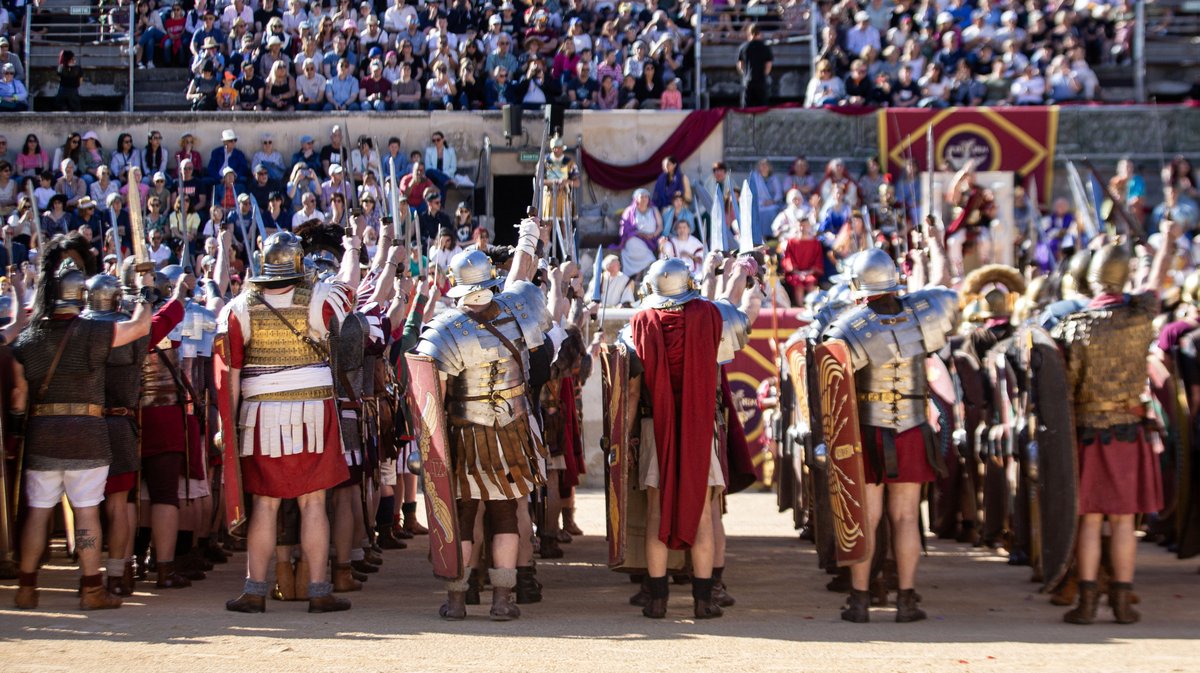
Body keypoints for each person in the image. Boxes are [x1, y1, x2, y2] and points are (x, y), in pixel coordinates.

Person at [413, 222, 551, 621]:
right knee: (506, 513)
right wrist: (528, 238)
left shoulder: (444, 332)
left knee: (464, 514)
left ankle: (457, 600)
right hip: (512, 429)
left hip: (465, 435)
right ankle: (502, 600)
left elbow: (430, 400)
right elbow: (520, 275)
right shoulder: (517, 309)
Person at [11, 233, 154, 610]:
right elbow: (140, 327)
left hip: (43, 434)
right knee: (87, 512)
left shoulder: (29, 339)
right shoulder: (91, 331)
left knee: (39, 512)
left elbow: (19, 399)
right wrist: (145, 291)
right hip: (88, 435)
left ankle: (27, 587)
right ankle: (92, 588)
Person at [219, 231, 356, 614]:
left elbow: (230, 371)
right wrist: (353, 247)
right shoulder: (316, 298)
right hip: (312, 410)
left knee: (265, 504)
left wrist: (227, 424)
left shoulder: (239, 307)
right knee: (313, 503)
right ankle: (317, 590)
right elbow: (349, 293)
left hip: (259, 415)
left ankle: (255, 590)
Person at [821, 248, 958, 623]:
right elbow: (949, 296)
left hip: (866, 430)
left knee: (866, 518)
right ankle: (906, 600)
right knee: (906, 518)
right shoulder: (925, 312)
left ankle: (861, 599)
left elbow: (832, 388)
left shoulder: (847, 326)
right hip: (912, 427)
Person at [1052, 239, 1173, 625]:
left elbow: (1065, 390)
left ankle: (1087, 603)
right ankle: (1121, 602)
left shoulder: (1074, 326)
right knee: (1123, 521)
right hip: (1127, 431)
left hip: (1088, 433)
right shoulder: (1141, 318)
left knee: (1090, 519)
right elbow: (1154, 285)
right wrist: (1166, 241)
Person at [624, 257, 751, 619]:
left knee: (656, 512)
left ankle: (658, 600)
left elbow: (631, 391)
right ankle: (703, 600)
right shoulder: (712, 317)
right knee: (703, 514)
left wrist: (624, 435)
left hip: (654, 427)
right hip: (700, 426)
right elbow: (715, 379)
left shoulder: (639, 323)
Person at [616, 188, 662, 278]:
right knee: (633, 244)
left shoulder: (654, 210)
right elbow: (624, 227)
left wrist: (653, 234)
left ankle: (639, 274)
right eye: (642, 197)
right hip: (635, 237)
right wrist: (639, 233)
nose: (644, 199)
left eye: (646, 197)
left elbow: (660, 226)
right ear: (636, 198)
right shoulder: (629, 210)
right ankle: (639, 272)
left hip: (651, 239)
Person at [736, 23, 772, 107]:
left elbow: (740, 65)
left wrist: (744, 75)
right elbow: (768, 66)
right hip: (761, 82)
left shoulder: (743, 47)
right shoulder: (765, 47)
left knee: (746, 109)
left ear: (749, 33)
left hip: (747, 81)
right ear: (760, 33)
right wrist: (764, 75)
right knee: (762, 109)